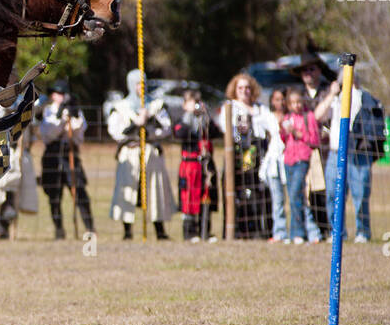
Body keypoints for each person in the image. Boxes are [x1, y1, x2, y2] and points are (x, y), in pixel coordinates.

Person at [107, 69, 174, 239]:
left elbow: (166, 128)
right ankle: (127, 232)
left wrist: (150, 123)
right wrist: (135, 125)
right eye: (137, 84)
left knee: (154, 191)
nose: (141, 87)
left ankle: (160, 231)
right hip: (130, 152)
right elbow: (115, 131)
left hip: (150, 152)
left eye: (143, 83)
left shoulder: (155, 105)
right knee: (127, 192)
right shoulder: (121, 107)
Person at [321, 70, 382, 243]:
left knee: (361, 193)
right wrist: (333, 93)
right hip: (335, 152)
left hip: (358, 153)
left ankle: (362, 231)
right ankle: (336, 232)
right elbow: (318, 116)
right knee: (333, 193)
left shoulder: (364, 98)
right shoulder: (334, 98)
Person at [39, 81, 94, 239]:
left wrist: (72, 115)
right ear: (52, 95)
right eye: (57, 93)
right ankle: (59, 229)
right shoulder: (47, 110)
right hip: (52, 155)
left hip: (70, 153)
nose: (60, 97)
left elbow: (79, 130)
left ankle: (89, 228)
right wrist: (61, 119)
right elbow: (48, 133)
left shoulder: (74, 110)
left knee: (79, 191)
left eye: (63, 94)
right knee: (54, 195)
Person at [223, 72, 270, 239]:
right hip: (236, 157)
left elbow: (270, 126)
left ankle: (256, 230)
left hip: (257, 155)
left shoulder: (260, 109)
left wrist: (253, 114)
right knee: (236, 195)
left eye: (247, 88)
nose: (244, 91)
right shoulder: (229, 107)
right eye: (240, 88)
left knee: (256, 194)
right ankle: (236, 230)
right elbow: (225, 128)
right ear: (235, 90)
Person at [171, 89, 221, 241]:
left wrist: (206, 115)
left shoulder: (204, 121)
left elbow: (215, 132)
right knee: (189, 199)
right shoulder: (182, 121)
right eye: (191, 102)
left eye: (197, 103)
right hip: (190, 166)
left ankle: (205, 231)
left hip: (205, 166)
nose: (195, 106)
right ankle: (190, 232)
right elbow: (179, 133)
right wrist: (189, 116)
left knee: (206, 197)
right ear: (184, 104)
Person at [293, 55, 334, 236]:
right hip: (302, 151)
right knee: (305, 193)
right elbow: (315, 118)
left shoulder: (328, 91)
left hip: (326, 150)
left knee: (327, 190)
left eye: (312, 69)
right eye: (304, 70)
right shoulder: (297, 95)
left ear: (319, 70)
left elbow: (325, 117)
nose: (308, 73)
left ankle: (329, 229)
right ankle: (312, 230)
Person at [280, 88, 322, 245]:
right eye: (293, 103)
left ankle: (300, 232)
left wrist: (298, 133)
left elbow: (314, 139)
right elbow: (284, 139)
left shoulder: (308, 117)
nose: (296, 105)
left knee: (296, 193)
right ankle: (299, 232)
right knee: (293, 197)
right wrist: (283, 131)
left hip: (302, 159)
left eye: (298, 102)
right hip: (288, 159)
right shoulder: (288, 117)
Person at [0, 116, 38, 239]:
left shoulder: (26, 113)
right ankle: (2, 224)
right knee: (3, 190)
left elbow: (33, 134)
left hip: (20, 156)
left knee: (15, 192)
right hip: (5, 154)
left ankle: (4, 225)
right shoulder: (1, 112)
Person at [260, 88, 289, 243]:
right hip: (274, 162)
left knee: (295, 198)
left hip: (290, 160)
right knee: (277, 200)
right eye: (277, 99)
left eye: (283, 99)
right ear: (272, 101)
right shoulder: (268, 117)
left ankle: (299, 231)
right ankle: (279, 231)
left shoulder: (292, 117)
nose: (280, 102)